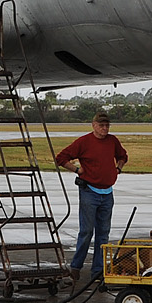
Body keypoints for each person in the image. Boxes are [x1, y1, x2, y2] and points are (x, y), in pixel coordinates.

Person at [55, 110, 128, 285]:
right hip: (89, 192)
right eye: (101, 125)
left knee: (103, 234)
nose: (105, 129)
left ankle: (98, 270)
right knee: (86, 231)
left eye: (107, 125)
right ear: (94, 125)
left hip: (107, 192)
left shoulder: (113, 141)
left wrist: (118, 168)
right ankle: (76, 267)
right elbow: (61, 158)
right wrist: (78, 170)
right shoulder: (84, 142)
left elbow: (123, 156)